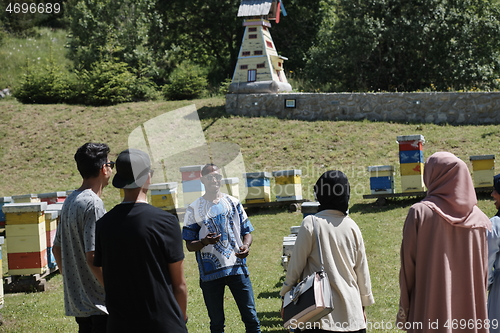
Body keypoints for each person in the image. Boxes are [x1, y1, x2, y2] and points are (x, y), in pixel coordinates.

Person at [93, 148, 188, 333]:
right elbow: (179, 285)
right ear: (148, 177)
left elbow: (99, 269)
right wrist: (182, 318)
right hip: (163, 323)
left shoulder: (103, 225)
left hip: (120, 325)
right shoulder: (166, 222)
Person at [397, 152, 491, 333]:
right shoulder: (480, 220)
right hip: (469, 314)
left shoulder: (420, 213)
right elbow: (483, 275)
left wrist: (405, 310)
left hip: (429, 309)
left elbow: (408, 269)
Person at [280, 170, 374, 333]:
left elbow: (295, 266)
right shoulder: (352, 226)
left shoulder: (311, 223)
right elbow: (362, 272)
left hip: (320, 314)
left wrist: (285, 295)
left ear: (320, 193)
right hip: (353, 316)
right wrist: (363, 306)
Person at [182, 163, 261, 333]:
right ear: (202, 180)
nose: (214, 180)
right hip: (210, 275)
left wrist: (245, 245)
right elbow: (189, 245)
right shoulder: (193, 208)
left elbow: (247, 232)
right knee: (217, 323)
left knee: (251, 318)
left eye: (217, 177)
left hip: (237, 269)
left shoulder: (233, 203)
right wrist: (204, 242)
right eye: (210, 177)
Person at [53, 142, 113, 333]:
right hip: (99, 306)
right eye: (110, 164)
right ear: (104, 168)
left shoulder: (70, 199)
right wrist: (114, 291)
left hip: (79, 304)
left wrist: (75, 281)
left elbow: (56, 248)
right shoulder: (93, 204)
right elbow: (93, 257)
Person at [487, 174, 500, 332]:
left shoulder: (495, 225)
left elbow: (486, 261)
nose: (492, 194)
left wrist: (489, 282)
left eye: (496, 190)